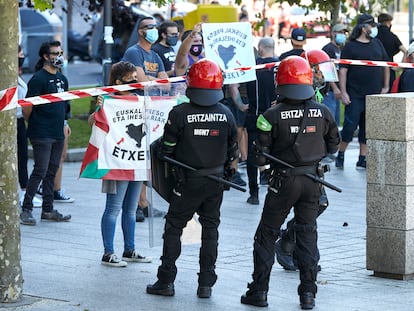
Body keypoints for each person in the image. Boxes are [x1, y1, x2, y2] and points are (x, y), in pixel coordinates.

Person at [240, 56, 340, 309]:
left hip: (283, 181)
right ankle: (308, 295)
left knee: (266, 234)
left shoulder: (270, 115)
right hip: (313, 180)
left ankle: (259, 291)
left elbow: (258, 156)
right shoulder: (324, 111)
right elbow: (334, 146)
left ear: (279, 82)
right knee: (307, 235)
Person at [146, 59, 238, 298]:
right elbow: (233, 152)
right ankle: (206, 283)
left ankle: (165, 280)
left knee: (174, 227)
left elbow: (166, 150)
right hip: (216, 182)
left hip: (187, 182)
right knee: (210, 229)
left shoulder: (179, 114)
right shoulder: (226, 114)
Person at [275, 49, 338, 272]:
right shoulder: (296, 93)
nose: (323, 77)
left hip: (313, 160)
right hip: (296, 163)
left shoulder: (317, 93)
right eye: (320, 71)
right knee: (311, 206)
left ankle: (298, 248)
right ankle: (288, 244)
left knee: (318, 205)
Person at [88, 61, 152, 267]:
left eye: (136, 77)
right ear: (117, 82)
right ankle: (108, 253)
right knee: (113, 208)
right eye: (130, 78)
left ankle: (129, 250)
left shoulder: (140, 99)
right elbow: (93, 122)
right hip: (115, 162)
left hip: (136, 162)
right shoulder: (107, 99)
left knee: (131, 209)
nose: (135, 81)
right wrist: (100, 107)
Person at [20, 41, 72, 225]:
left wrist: (65, 123)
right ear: (45, 56)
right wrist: (35, 123)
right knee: (40, 170)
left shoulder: (62, 79)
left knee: (52, 170)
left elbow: (65, 105)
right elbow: (27, 106)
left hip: (58, 131)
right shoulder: (38, 79)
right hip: (41, 132)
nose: (58, 56)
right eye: (54, 53)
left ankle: (48, 210)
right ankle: (26, 209)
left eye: (60, 52)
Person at [123, 16, 169, 222]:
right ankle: (136, 204)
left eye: (155, 27)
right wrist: (153, 80)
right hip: (136, 112)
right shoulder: (134, 52)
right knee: (140, 158)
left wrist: (153, 80)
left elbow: (166, 83)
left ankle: (143, 203)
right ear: (141, 31)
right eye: (150, 27)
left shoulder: (155, 55)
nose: (154, 30)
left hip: (153, 111)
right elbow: (141, 82)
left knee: (147, 159)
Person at [335, 13, 390, 170]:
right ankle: (341, 154)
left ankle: (362, 157)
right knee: (349, 127)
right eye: (371, 26)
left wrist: (385, 86)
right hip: (355, 94)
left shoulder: (377, 43)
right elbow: (343, 71)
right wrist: (343, 92)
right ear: (363, 27)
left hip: (373, 94)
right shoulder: (350, 46)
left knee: (367, 128)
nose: (373, 29)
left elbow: (385, 64)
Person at [245, 37, 279, 205]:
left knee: (253, 154)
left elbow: (233, 87)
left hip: (255, 116)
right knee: (277, 151)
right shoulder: (280, 67)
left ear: (260, 48)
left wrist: (239, 104)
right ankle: (275, 186)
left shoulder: (252, 68)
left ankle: (254, 193)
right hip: (277, 117)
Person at [17, 45, 43, 208]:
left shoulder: (18, 76)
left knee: (22, 157)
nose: (22, 56)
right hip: (11, 120)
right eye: (19, 54)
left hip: (19, 121)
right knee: (19, 157)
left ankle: (24, 190)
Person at [322, 23, 349, 125]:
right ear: (333, 34)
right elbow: (326, 70)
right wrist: (335, 88)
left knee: (336, 121)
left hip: (337, 90)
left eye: (344, 33)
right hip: (329, 91)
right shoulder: (328, 49)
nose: (343, 35)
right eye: (340, 32)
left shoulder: (341, 49)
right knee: (330, 120)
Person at [376, 13, 408, 89]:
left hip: (375, 70)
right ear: (388, 22)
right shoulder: (392, 36)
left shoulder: (374, 36)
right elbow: (405, 51)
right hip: (390, 69)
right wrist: (400, 67)